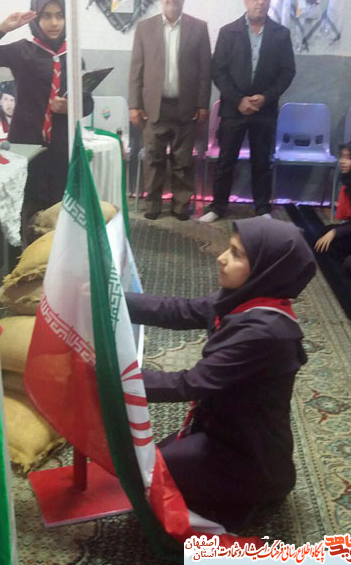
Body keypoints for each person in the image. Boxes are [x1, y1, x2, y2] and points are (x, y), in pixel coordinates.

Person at [125, 216, 316, 529]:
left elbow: (191, 383)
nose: (221, 257)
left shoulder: (265, 332)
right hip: (222, 428)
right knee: (146, 462)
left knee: (144, 473)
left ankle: (250, 496)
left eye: (236, 254)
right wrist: (115, 300)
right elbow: (180, 309)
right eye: (229, 248)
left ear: (267, 268)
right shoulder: (245, 298)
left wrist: (118, 379)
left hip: (247, 455)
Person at [0, 0, 94, 220]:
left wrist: (69, 107)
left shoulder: (74, 57)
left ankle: (53, 244)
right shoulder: (21, 51)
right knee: (25, 202)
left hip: (61, 143)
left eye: (59, 16)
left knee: (60, 206)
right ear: (36, 19)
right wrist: (4, 27)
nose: (54, 23)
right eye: (46, 16)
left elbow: (87, 103)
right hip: (26, 141)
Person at [201, 0, 295, 223]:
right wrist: (238, 100)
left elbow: (287, 72)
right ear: (245, 0)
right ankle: (217, 207)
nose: (261, 2)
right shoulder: (228, 32)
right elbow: (218, 71)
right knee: (225, 161)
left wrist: (266, 97)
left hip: (264, 110)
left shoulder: (281, 34)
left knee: (262, 162)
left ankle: (262, 208)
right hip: (234, 109)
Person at [128, 0, 211, 220]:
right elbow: (136, 69)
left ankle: (181, 206)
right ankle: (152, 205)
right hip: (153, 108)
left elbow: (205, 71)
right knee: (152, 159)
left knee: (183, 161)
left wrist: (202, 104)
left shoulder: (199, 28)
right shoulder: (144, 28)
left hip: (185, 108)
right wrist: (134, 105)